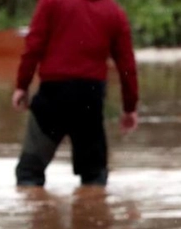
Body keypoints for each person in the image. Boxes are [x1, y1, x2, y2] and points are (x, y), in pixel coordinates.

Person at [12, 0, 140, 187]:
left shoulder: (51, 3)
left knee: (29, 173)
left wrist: (22, 85)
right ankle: (93, 210)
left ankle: (34, 210)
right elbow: (127, 65)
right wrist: (130, 107)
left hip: (53, 95)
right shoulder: (114, 12)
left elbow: (33, 46)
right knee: (94, 175)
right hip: (90, 98)